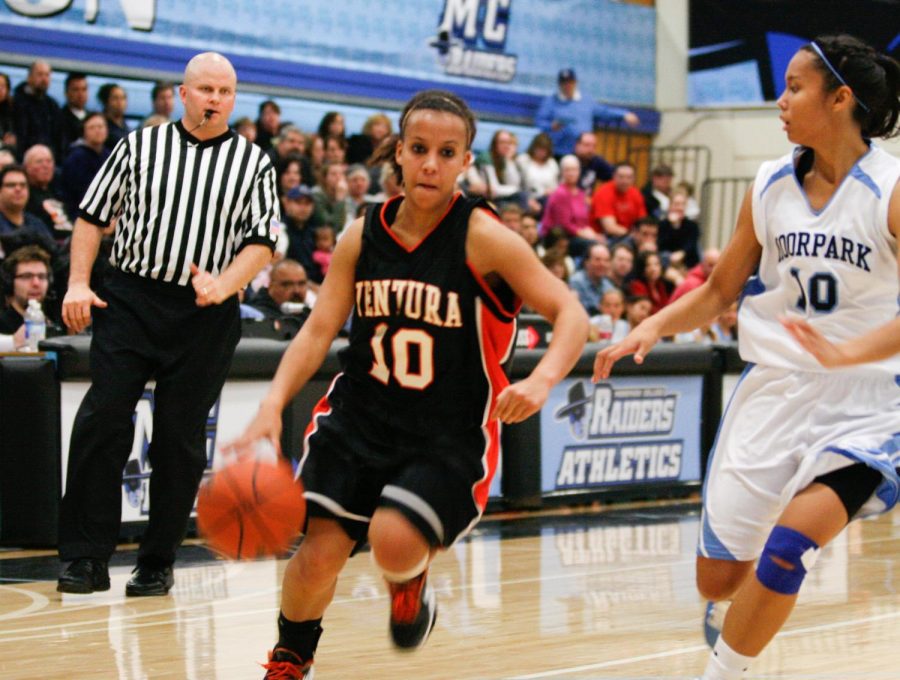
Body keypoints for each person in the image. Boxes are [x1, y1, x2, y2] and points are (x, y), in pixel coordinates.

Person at [227, 89, 588, 678]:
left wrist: (543, 380)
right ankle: (290, 657)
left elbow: (570, 313)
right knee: (317, 555)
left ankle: (409, 582)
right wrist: (272, 403)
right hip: (362, 413)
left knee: (395, 540)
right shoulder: (361, 232)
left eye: (447, 153)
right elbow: (319, 330)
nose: (430, 163)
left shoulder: (483, 236)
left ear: (465, 163)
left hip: (446, 428)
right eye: (419, 149)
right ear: (398, 152)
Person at [594, 35, 900, 680]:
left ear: (841, 99)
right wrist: (649, 328)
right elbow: (717, 290)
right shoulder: (766, 184)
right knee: (718, 579)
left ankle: (726, 669)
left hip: (871, 397)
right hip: (775, 392)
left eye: (795, 86)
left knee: (789, 547)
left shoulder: (891, 189)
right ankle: (745, 611)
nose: (781, 100)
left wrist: (848, 352)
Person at [55, 52, 279, 598]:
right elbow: (90, 217)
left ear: (233, 98)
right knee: (103, 419)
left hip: (205, 312)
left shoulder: (254, 163)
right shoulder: (138, 146)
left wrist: (224, 284)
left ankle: (157, 561)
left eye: (224, 92)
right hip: (131, 298)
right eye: (204, 89)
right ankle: (85, 557)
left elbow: (262, 241)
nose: (214, 99)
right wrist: (78, 283)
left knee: (179, 441)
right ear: (183, 94)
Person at [535, 68, 639, 157]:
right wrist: (551, 126)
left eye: (570, 82)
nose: (567, 85)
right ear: (559, 84)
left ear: (575, 82)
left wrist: (624, 114)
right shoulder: (550, 101)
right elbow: (539, 122)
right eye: (564, 83)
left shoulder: (587, 100)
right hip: (558, 151)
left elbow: (604, 112)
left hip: (583, 153)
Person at [0, 244, 61, 335]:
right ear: (10, 282)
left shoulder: (53, 322)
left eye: (42, 276)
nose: (36, 283)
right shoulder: (3, 326)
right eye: (27, 276)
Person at [246, 258, 316, 319]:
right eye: (287, 285)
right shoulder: (255, 316)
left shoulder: (308, 314)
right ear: (271, 285)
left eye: (301, 284)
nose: (296, 291)